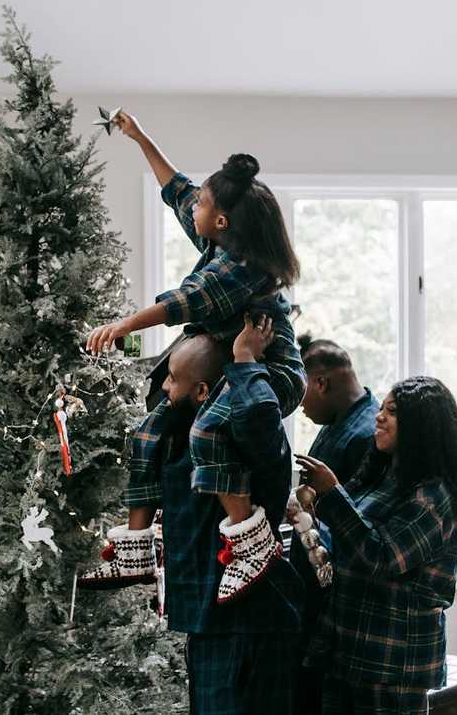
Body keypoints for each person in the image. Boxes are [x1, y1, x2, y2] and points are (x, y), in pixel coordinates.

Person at [84, 111, 305, 600]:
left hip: (269, 371)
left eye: (205, 204)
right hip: (227, 365)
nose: (196, 208)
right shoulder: (219, 235)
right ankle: (135, 551)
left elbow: (180, 304)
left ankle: (251, 541)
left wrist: (123, 326)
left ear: (221, 220)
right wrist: (141, 137)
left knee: (207, 430)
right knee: (146, 435)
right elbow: (177, 190)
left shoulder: (240, 268)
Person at [91, 328, 304, 713]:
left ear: (204, 391)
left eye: (175, 380)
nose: (166, 388)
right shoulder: (179, 435)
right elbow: (160, 389)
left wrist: (244, 361)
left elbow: (259, 412)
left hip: (248, 624)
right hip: (207, 621)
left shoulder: (243, 436)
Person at [296, 376, 457, 715]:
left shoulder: (434, 495)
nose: (379, 417)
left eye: (392, 412)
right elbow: (350, 538)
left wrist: (332, 492)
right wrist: (311, 510)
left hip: (392, 661)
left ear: (422, 427)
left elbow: (382, 557)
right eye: (381, 409)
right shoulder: (382, 477)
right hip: (348, 647)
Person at [292, 334, 379, 715]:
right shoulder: (339, 420)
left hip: (333, 593)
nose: (300, 406)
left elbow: (357, 524)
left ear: (321, 382)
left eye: (301, 392)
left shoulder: (365, 437)